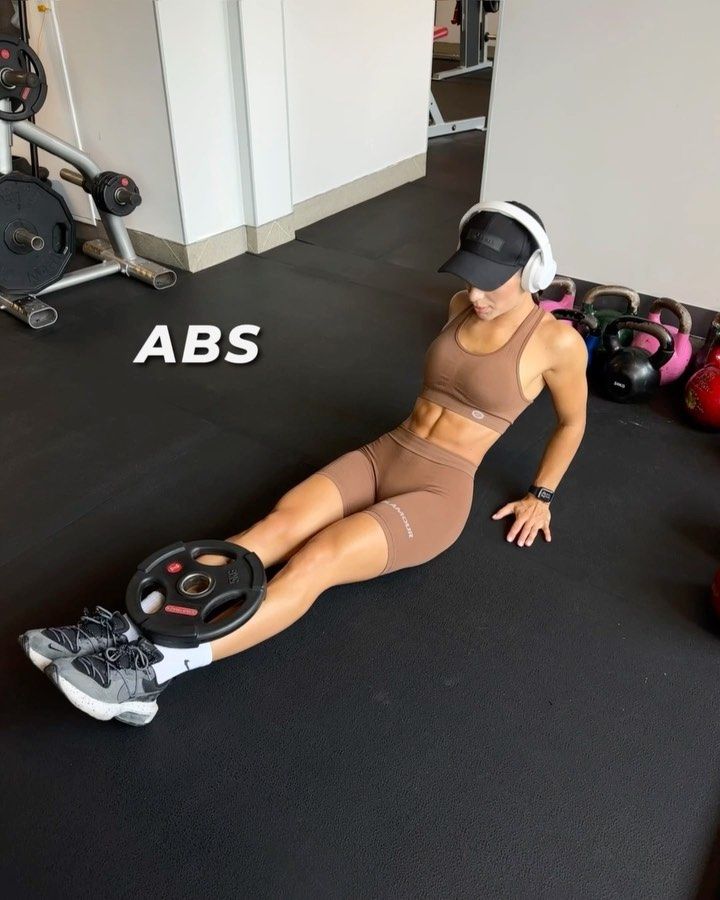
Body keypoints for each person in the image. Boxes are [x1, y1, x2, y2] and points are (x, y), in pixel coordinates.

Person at [19, 200, 588, 725]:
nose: (477, 291)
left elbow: (572, 423)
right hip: (385, 451)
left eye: (493, 281)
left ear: (534, 272)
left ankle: (153, 671)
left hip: (437, 495)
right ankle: (127, 625)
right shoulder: (459, 305)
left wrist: (540, 497)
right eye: (470, 273)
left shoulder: (555, 343)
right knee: (271, 529)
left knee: (315, 561)